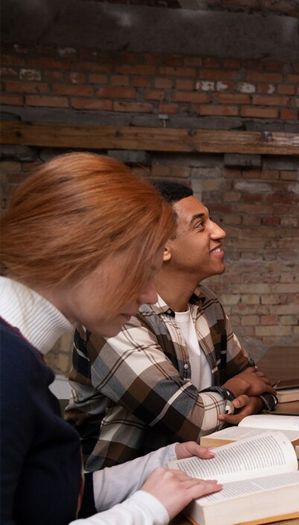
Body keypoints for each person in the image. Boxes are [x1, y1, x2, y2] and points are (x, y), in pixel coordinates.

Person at [0, 153, 223, 524]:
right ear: (86, 252)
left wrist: (161, 463)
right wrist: (146, 510)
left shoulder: (20, 353)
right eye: (144, 272)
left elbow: (44, 499)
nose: (151, 296)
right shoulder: (6, 368)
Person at [65, 180, 277, 471]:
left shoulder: (206, 304)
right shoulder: (116, 317)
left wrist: (255, 404)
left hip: (203, 468)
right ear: (164, 249)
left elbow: (258, 382)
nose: (220, 232)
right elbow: (189, 419)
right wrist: (232, 392)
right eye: (200, 225)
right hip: (118, 494)